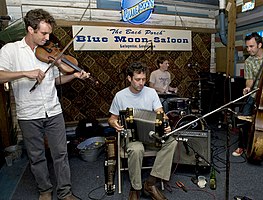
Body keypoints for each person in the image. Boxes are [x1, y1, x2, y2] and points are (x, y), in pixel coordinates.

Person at [0, 9, 90, 200]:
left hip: (53, 111)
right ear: (30, 29)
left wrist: (73, 75)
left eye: (49, 33)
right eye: (43, 33)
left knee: (61, 153)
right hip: (28, 114)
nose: (48, 37)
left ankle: (65, 192)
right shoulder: (10, 50)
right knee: (37, 156)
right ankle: (45, 191)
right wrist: (25, 73)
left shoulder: (47, 52)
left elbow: (55, 82)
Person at [108, 62, 177, 200]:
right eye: (137, 79)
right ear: (129, 78)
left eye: (144, 79)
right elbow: (111, 118)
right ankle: (136, 187)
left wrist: (165, 123)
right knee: (136, 149)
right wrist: (114, 123)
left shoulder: (151, 93)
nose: (141, 83)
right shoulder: (120, 96)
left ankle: (151, 183)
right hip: (132, 137)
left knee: (172, 142)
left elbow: (160, 113)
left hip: (151, 135)